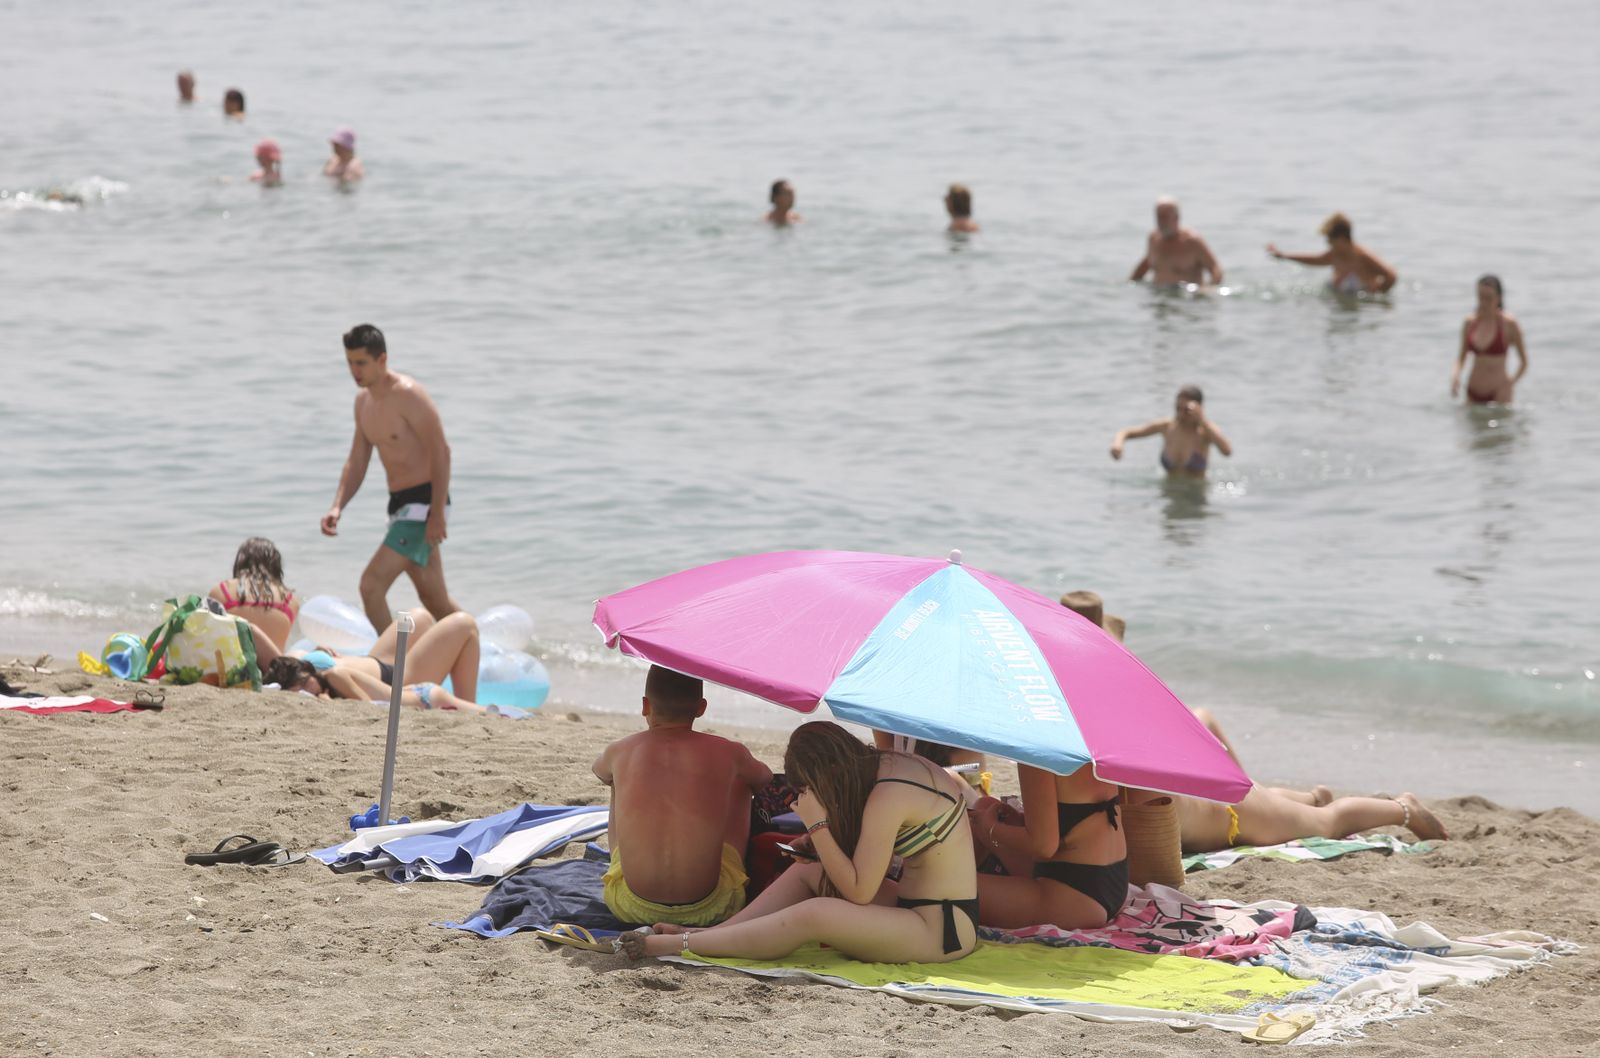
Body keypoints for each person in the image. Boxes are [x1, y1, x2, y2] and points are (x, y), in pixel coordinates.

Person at [619, 721, 979, 963]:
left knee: (814, 915)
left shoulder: (889, 795)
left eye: (812, 786)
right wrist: (817, 841)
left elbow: (860, 893)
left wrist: (818, 825)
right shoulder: (888, 767)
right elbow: (871, 860)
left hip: (942, 930)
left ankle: (680, 946)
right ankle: (712, 934)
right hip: (916, 907)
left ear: (830, 771)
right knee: (806, 873)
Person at [591, 666, 773, 928]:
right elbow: (764, 779)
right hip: (716, 905)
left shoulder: (621, 749)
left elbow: (600, 772)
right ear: (701, 708)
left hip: (629, 904)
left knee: (617, 781)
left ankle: (621, 864)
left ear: (645, 706)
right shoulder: (729, 751)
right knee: (742, 782)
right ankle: (735, 864)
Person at [320, 323, 461, 631]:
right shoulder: (363, 403)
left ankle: (394, 664)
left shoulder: (409, 395)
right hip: (399, 506)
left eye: (361, 363)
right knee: (434, 598)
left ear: (381, 360)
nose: (354, 371)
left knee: (371, 586)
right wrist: (337, 506)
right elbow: (358, 460)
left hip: (424, 504)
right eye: (350, 362)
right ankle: (475, 649)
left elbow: (442, 452)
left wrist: (437, 514)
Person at [261, 609, 485, 713]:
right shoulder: (314, 688)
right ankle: (467, 703)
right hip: (398, 678)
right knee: (465, 625)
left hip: (376, 659)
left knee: (421, 617)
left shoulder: (290, 667)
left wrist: (318, 653)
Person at [1110, 384, 1233, 477]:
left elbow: (1227, 451)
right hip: (1168, 495)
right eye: (1177, 408)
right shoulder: (1167, 426)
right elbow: (1126, 432)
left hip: (1196, 498)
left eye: (1186, 410)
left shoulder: (1206, 431)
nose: (1180, 414)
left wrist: (1202, 419)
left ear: (1199, 408)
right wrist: (1117, 445)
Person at [1267, 212, 1396, 294]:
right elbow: (1314, 259)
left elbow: (1391, 276)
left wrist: (1377, 294)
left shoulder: (1363, 256)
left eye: (1330, 240)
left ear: (1341, 239)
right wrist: (1284, 256)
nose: (1328, 243)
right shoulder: (1335, 255)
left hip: (1360, 308)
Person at [208, 538, 299, 651]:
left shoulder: (222, 591)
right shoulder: (290, 600)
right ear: (276, 566)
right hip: (274, 666)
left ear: (240, 561)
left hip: (233, 667)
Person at [1451, 275, 1527, 405]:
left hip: (1499, 393)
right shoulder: (1470, 323)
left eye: (1489, 298)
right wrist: (1455, 376)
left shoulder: (1509, 324)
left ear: (1498, 298)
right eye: (1481, 297)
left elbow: (1524, 362)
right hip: (1472, 392)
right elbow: (1461, 357)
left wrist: (1510, 384)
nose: (1484, 303)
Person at [1129, 197, 1222, 287]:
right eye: (1159, 216)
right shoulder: (1153, 239)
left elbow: (1215, 269)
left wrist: (1210, 289)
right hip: (1157, 296)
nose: (1161, 221)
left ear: (1176, 217)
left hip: (1185, 299)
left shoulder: (1192, 242)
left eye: (1165, 217)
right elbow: (1147, 263)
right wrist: (1130, 283)